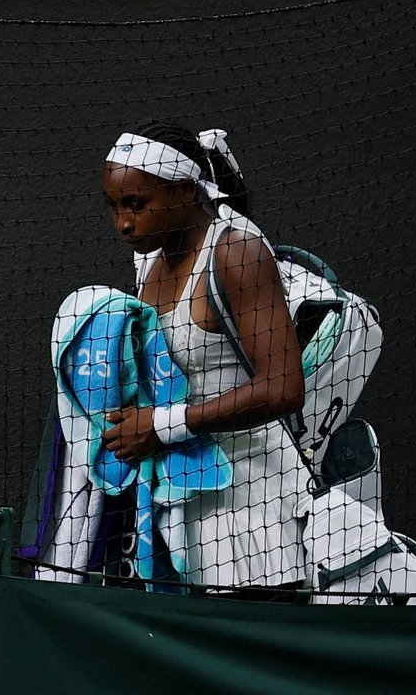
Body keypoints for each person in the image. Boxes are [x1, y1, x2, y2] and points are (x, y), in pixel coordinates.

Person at [98, 121, 306, 599]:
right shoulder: (148, 265)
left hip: (256, 508)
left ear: (188, 191)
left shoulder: (236, 252)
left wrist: (162, 425)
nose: (124, 223)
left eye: (136, 204)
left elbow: (284, 387)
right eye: (113, 207)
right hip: (181, 503)